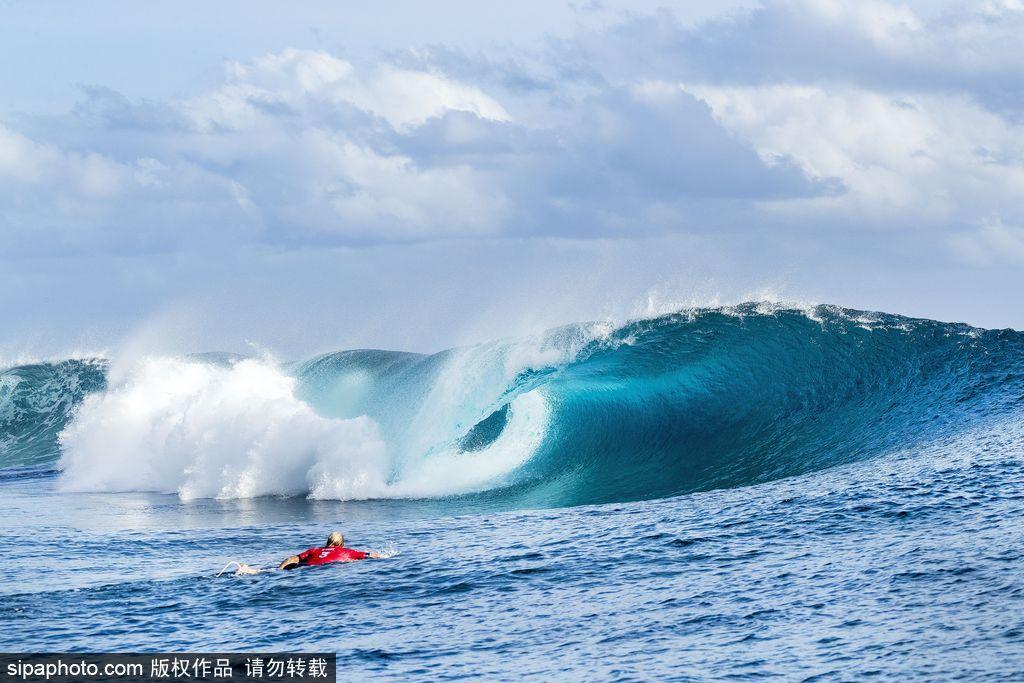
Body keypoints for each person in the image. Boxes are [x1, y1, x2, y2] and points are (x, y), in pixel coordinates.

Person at [278, 531, 381, 570]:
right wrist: (385, 557)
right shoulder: (348, 552)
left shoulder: (313, 550)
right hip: (328, 567)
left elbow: (292, 558)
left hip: (306, 567)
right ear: (341, 543)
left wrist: (280, 568)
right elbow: (371, 555)